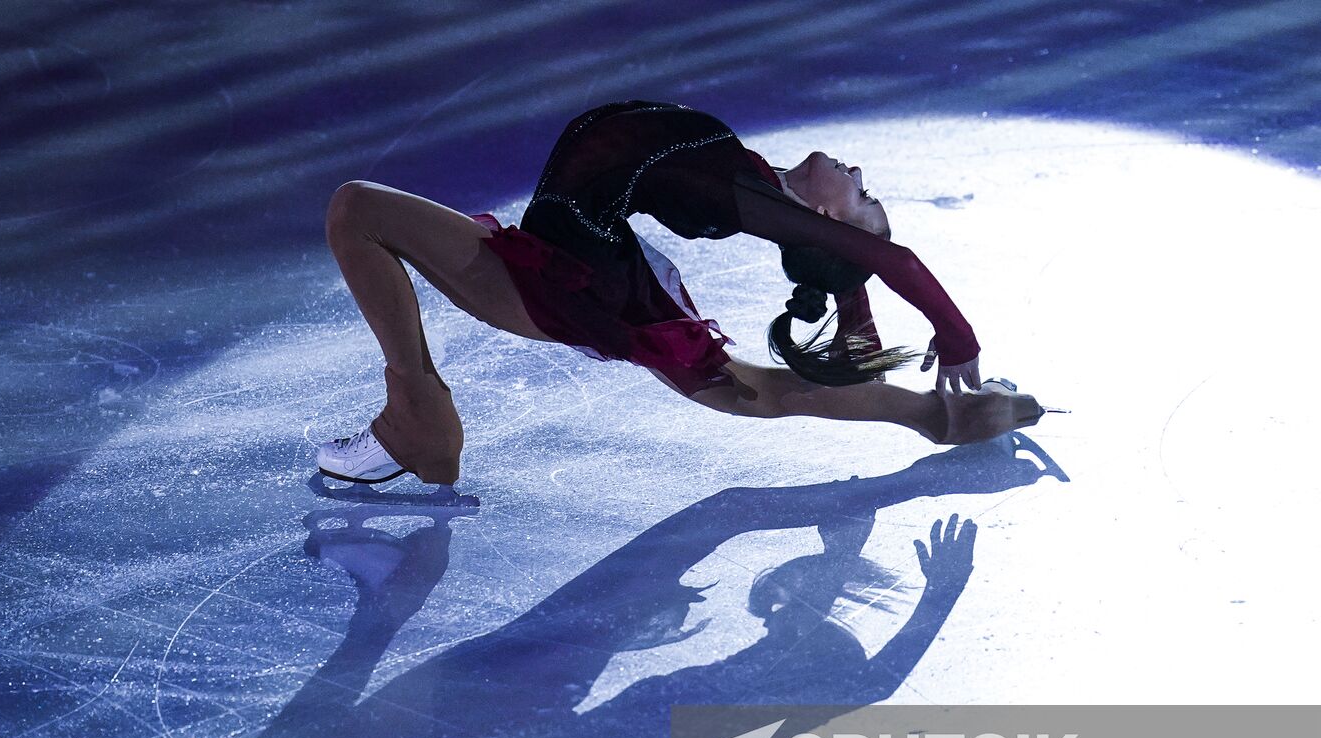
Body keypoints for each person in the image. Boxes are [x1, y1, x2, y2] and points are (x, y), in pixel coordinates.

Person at [317, 99, 1046, 485]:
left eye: (863, 192)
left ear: (826, 220)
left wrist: (959, 337)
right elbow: (854, 260)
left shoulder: (754, 201)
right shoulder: (760, 183)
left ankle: (417, 420)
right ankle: (936, 416)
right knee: (751, 391)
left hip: (569, 275)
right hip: (586, 256)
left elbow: (894, 259)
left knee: (358, 209)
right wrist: (855, 311)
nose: (858, 172)